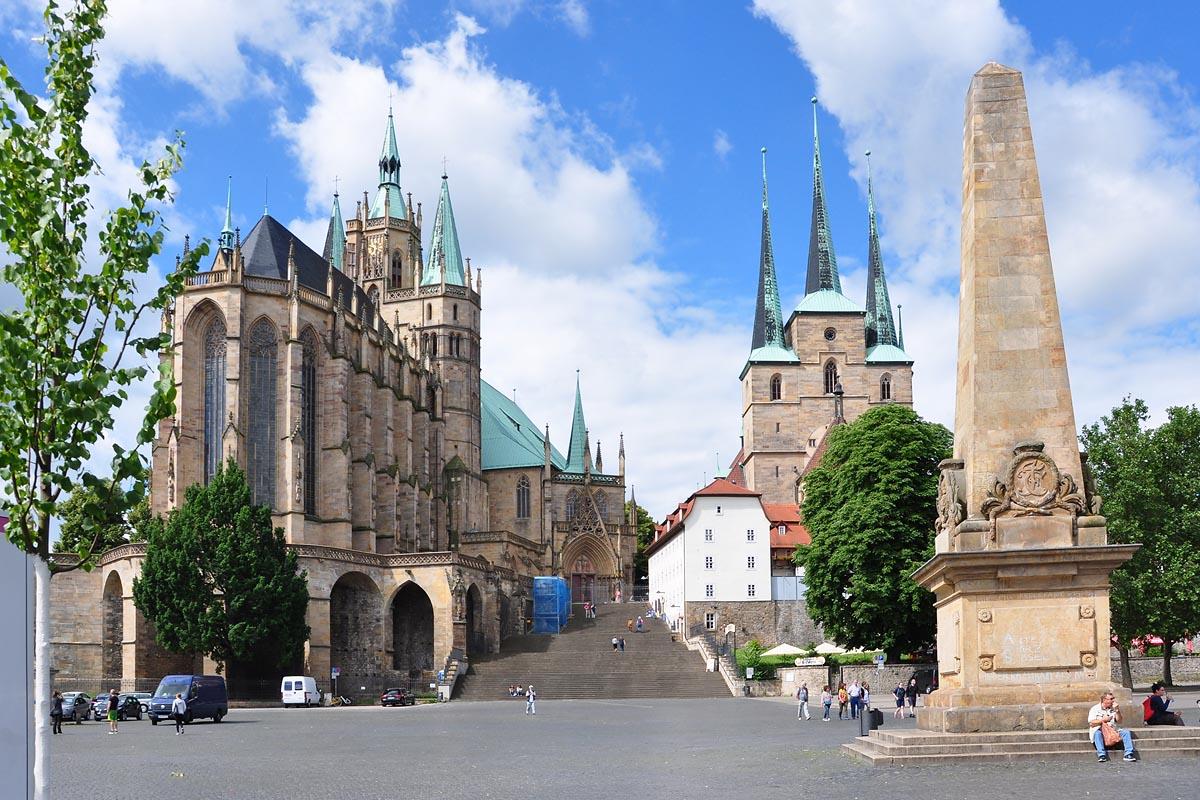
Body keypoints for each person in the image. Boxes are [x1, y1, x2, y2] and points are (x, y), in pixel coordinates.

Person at [1088, 691, 1136, 762]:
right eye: (1111, 699)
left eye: (1113, 698)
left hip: (1113, 731)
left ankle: (1128, 754)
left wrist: (1117, 711)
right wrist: (1103, 720)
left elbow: (1119, 721)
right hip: (1101, 731)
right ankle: (1102, 755)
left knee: (1126, 732)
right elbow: (1091, 722)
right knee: (1097, 733)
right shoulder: (1095, 709)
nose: (1113, 700)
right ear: (1104, 700)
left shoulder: (1113, 709)